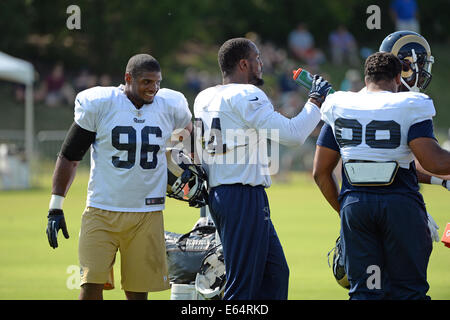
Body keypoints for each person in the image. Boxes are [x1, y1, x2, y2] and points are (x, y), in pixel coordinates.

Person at [45, 54, 193, 300]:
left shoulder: (169, 104)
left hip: (147, 214)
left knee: (137, 294)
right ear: (128, 79)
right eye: (146, 82)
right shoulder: (101, 104)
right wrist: (55, 207)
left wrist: (185, 156)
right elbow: (70, 156)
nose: (153, 88)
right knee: (90, 287)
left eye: (157, 82)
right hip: (101, 211)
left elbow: (189, 131)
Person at [193, 37, 331, 299]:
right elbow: (292, 135)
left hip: (225, 194)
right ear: (244, 64)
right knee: (242, 286)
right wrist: (315, 100)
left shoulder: (204, 96)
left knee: (275, 274)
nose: (262, 64)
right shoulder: (248, 94)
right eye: (257, 59)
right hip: (242, 195)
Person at [312, 51, 450, 299]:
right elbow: (434, 161)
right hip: (400, 206)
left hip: (356, 207)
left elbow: (320, 172)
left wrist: (345, 209)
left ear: (366, 79)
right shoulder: (411, 104)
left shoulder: (339, 104)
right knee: (409, 292)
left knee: (366, 293)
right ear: (398, 78)